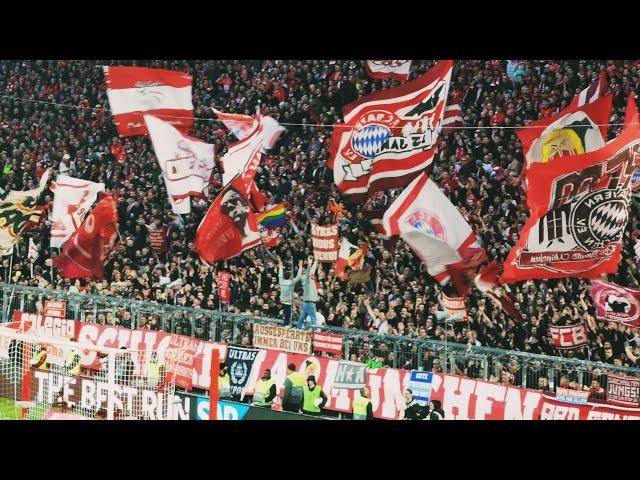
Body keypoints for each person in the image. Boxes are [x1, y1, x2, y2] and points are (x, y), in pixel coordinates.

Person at [278, 258, 303, 326]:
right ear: (289, 277)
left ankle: (286, 322)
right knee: (288, 316)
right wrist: (300, 266)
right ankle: (286, 325)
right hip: (288, 302)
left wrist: (280, 263)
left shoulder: (281, 281)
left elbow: (280, 272)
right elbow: (298, 276)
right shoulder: (291, 282)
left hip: (282, 300)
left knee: (287, 314)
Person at [296, 256, 319, 329]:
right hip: (310, 303)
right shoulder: (307, 281)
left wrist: (315, 262)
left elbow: (312, 271)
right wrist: (309, 264)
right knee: (313, 319)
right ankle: (314, 334)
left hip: (306, 302)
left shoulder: (307, 279)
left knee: (301, 318)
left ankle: (298, 329)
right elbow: (309, 273)